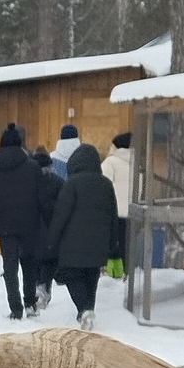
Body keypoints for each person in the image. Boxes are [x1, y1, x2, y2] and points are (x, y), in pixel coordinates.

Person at [47, 141, 121, 330]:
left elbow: (60, 215)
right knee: (91, 277)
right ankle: (88, 310)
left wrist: (51, 241)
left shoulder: (71, 185)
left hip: (73, 245)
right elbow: (113, 215)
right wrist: (113, 243)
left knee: (72, 275)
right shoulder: (106, 185)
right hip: (99, 244)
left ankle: (83, 310)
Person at [0, 123, 43, 320]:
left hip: (5, 227)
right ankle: (30, 303)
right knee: (29, 265)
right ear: (20, 144)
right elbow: (42, 197)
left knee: (10, 267)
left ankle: (16, 309)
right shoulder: (33, 168)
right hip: (29, 225)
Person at [28, 146, 64, 315]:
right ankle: (45, 287)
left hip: (33, 228)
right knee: (50, 262)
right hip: (52, 228)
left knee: (34, 261)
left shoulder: (28, 180)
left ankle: (36, 287)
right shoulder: (57, 181)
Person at [102, 132, 135, 269]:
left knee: (113, 246)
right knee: (128, 245)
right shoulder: (137, 162)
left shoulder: (110, 163)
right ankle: (127, 271)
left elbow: (103, 186)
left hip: (114, 211)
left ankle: (113, 274)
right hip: (132, 211)